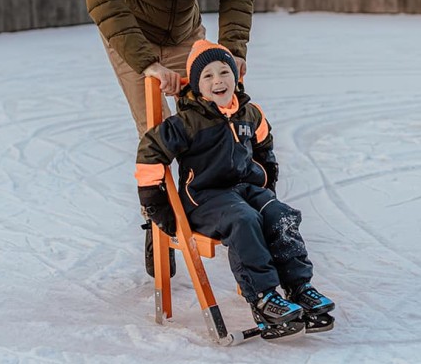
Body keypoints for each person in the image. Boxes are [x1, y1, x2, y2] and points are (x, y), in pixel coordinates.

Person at [85, 0, 254, 277]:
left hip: (183, 30)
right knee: (158, 133)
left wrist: (232, 49)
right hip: (132, 35)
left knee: (215, 120)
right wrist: (147, 63)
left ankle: (222, 213)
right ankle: (157, 221)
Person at [135, 40, 335, 337]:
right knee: (244, 219)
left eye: (224, 72)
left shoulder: (249, 113)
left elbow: (264, 142)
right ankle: (263, 297)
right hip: (205, 199)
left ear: (235, 76)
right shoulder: (186, 122)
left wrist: (266, 177)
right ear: (198, 87)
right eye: (208, 76)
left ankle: (298, 286)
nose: (218, 80)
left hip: (245, 190)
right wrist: (157, 206)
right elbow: (149, 153)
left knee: (280, 215)